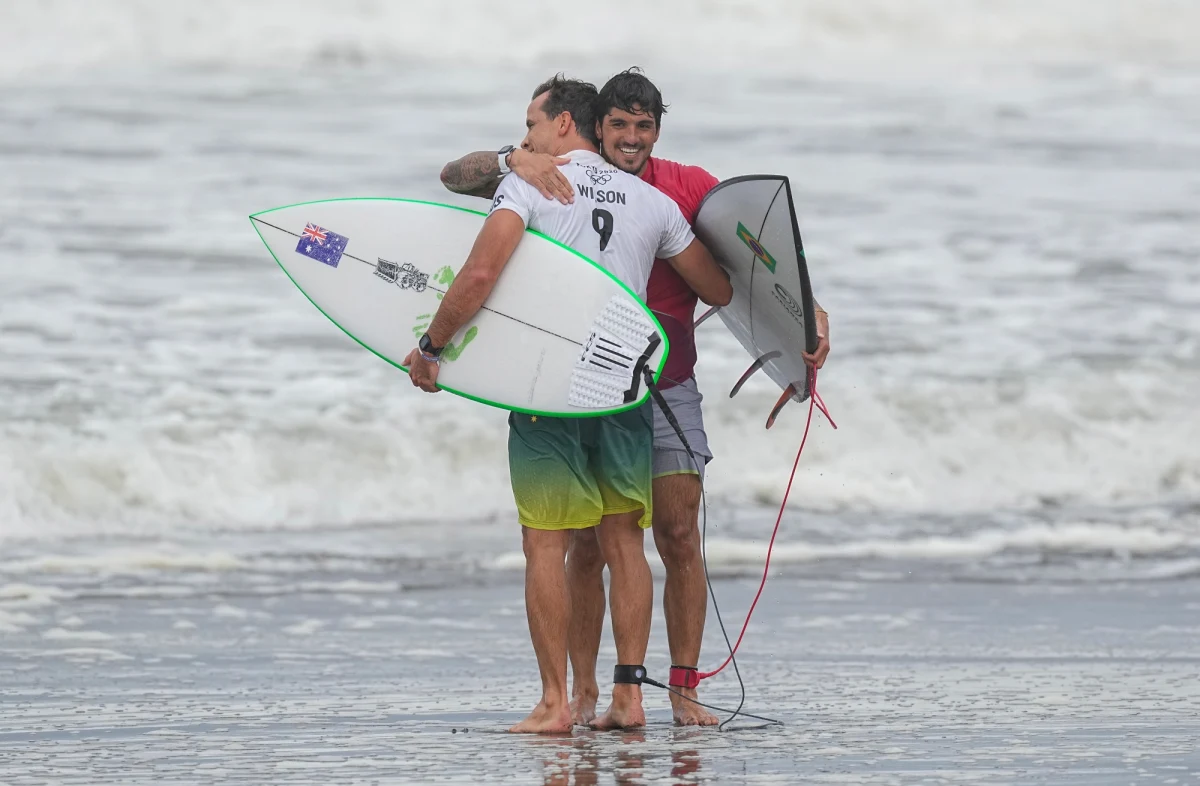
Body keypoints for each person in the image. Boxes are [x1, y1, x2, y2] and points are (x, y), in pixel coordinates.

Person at [442, 68, 831, 727]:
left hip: (660, 382)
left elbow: (751, 263)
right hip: (599, 385)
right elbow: (456, 175)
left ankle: (663, 690)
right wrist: (516, 158)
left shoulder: (684, 188)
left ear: (657, 130)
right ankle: (591, 693)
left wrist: (808, 318)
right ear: (595, 127)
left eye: (643, 126)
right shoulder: (541, 171)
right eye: (617, 125)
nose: (630, 137)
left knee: (674, 532)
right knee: (595, 543)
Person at [408, 74, 732, 734]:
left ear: (562, 125)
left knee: (545, 546)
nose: (524, 138)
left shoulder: (531, 182)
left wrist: (431, 346)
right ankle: (630, 696)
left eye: (530, 125)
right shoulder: (652, 203)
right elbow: (718, 288)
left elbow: (479, 274)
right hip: (624, 391)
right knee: (624, 542)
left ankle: (557, 704)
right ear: (601, 125)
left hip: (549, 389)